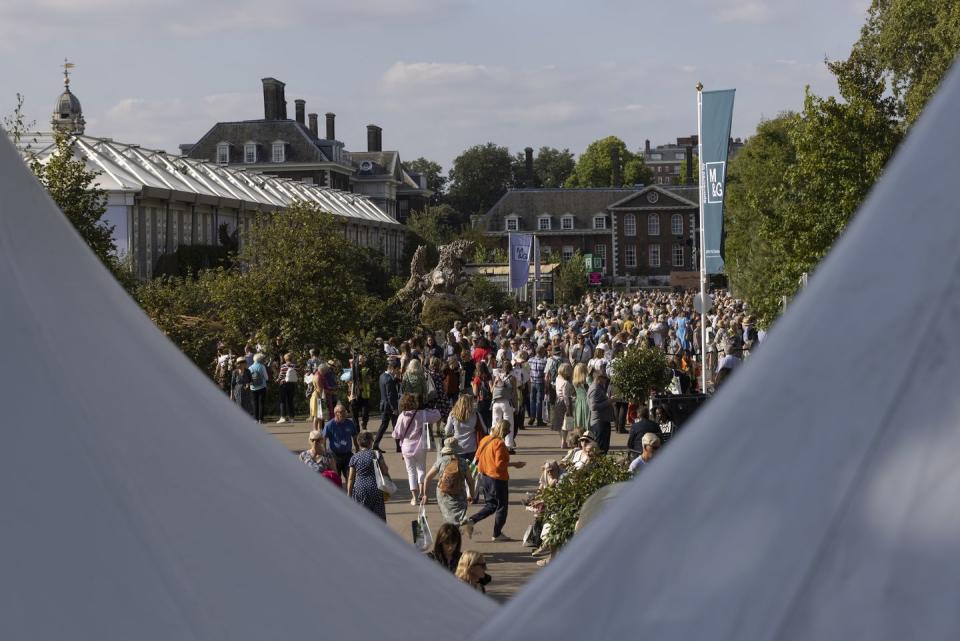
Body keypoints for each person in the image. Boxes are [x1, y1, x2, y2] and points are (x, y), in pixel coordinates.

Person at [462, 421, 526, 542]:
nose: (509, 432)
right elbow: (499, 466)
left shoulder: (485, 439)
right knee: (502, 506)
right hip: (497, 479)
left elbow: (477, 457)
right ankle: (496, 534)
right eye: (508, 430)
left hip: (485, 477)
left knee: (491, 505)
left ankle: (471, 521)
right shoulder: (500, 444)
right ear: (504, 431)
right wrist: (514, 464)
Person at [392, 394, 441, 506]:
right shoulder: (422, 414)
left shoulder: (402, 417)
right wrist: (428, 408)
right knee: (421, 470)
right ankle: (423, 495)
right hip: (420, 447)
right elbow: (437, 415)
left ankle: (414, 498)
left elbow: (396, 434)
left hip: (407, 447)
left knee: (411, 472)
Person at [421, 437, 475, 525]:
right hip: (459, 494)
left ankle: (450, 531)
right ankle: (459, 526)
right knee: (459, 517)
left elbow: (427, 478)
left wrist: (425, 495)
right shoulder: (463, 462)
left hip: (443, 494)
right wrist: (472, 495)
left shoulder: (441, 461)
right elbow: (470, 481)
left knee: (448, 518)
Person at [347, 431, 387, 520]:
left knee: (362, 515)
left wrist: (349, 494)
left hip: (360, 488)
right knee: (378, 516)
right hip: (375, 487)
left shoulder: (354, 457)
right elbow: (384, 470)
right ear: (370, 442)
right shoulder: (376, 454)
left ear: (359, 442)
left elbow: (350, 478)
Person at [323, 403, 359, 484]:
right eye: (342, 411)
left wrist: (357, 449)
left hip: (348, 455)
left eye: (345, 411)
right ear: (336, 413)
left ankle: (349, 494)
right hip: (334, 455)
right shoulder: (330, 425)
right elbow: (323, 439)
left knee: (350, 476)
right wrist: (324, 452)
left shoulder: (350, 423)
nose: (345, 413)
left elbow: (354, 437)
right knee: (336, 477)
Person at [444, 393, 485, 462]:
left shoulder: (453, 414)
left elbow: (447, 431)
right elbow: (485, 429)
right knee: (471, 471)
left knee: (459, 471)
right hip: (472, 448)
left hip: (457, 448)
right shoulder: (476, 415)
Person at [491, 361, 517, 451]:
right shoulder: (512, 378)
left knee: (495, 422)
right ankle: (508, 446)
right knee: (508, 424)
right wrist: (515, 405)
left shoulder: (497, 377)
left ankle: (493, 442)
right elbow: (514, 393)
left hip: (495, 402)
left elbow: (492, 390)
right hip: (506, 403)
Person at [375, 360, 400, 452]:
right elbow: (390, 395)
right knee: (395, 426)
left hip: (384, 404)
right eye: (397, 369)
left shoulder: (382, 376)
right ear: (392, 368)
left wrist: (396, 380)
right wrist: (394, 408)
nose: (397, 371)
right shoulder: (389, 379)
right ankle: (398, 446)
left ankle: (375, 444)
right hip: (390, 406)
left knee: (384, 426)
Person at [553, 363, 575, 448]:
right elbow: (566, 396)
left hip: (558, 401)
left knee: (560, 423)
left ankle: (562, 440)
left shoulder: (557, 379)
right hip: (564, 402)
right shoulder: (566, 383)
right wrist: (568, 408)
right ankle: (563, 441)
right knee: (565, 423)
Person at [349, 353, 372, 431]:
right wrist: (351, 393)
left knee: (365, 412)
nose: (361, 361)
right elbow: (350, 382)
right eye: (360, 359)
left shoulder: (367, 369)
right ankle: (356, 429)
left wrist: (366, 378)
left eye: (363, 359)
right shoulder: (352, 370)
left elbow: (370, 380)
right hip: (355, 394)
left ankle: (364, 424)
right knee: (354, 413)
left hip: (364, 394)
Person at [276, 352, 299, 424]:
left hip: (283, 384)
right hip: (292, 384)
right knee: (290, 401)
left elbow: (281, 375)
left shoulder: (283, 366)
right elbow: (297, 374)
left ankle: (283, 417)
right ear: (291, 358)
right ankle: (291, 417)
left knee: (282, 401)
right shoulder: (295, 366)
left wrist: (277, 380)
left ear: (285, 359)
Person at [248, 353, 268, 424]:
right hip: (262, 387)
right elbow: (266, 378)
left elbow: (248, 379)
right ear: (261, 359)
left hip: (253, 387)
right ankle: (261, 419)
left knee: (255, 403)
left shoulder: (250, 367)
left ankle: (255, 419)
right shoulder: (262, 366)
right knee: (261, 403)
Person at [572, 362, 590, 434]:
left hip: (578, 403)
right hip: (587, 403)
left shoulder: (574, 381)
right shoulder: (587, 381)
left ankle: (578, 437)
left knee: (579, 421)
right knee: (587, 420)